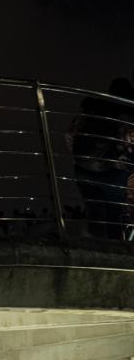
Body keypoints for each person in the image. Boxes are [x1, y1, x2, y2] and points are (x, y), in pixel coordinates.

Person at [70, 78, 134, 240]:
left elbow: (70, 134)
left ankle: (96, 256)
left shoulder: (92, 105)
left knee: (95, 216)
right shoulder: (127, 110)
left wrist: (81, 159)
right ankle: (116, 258)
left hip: (83, 167)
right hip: (114, 170)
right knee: (114, 217)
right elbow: (129, 143)